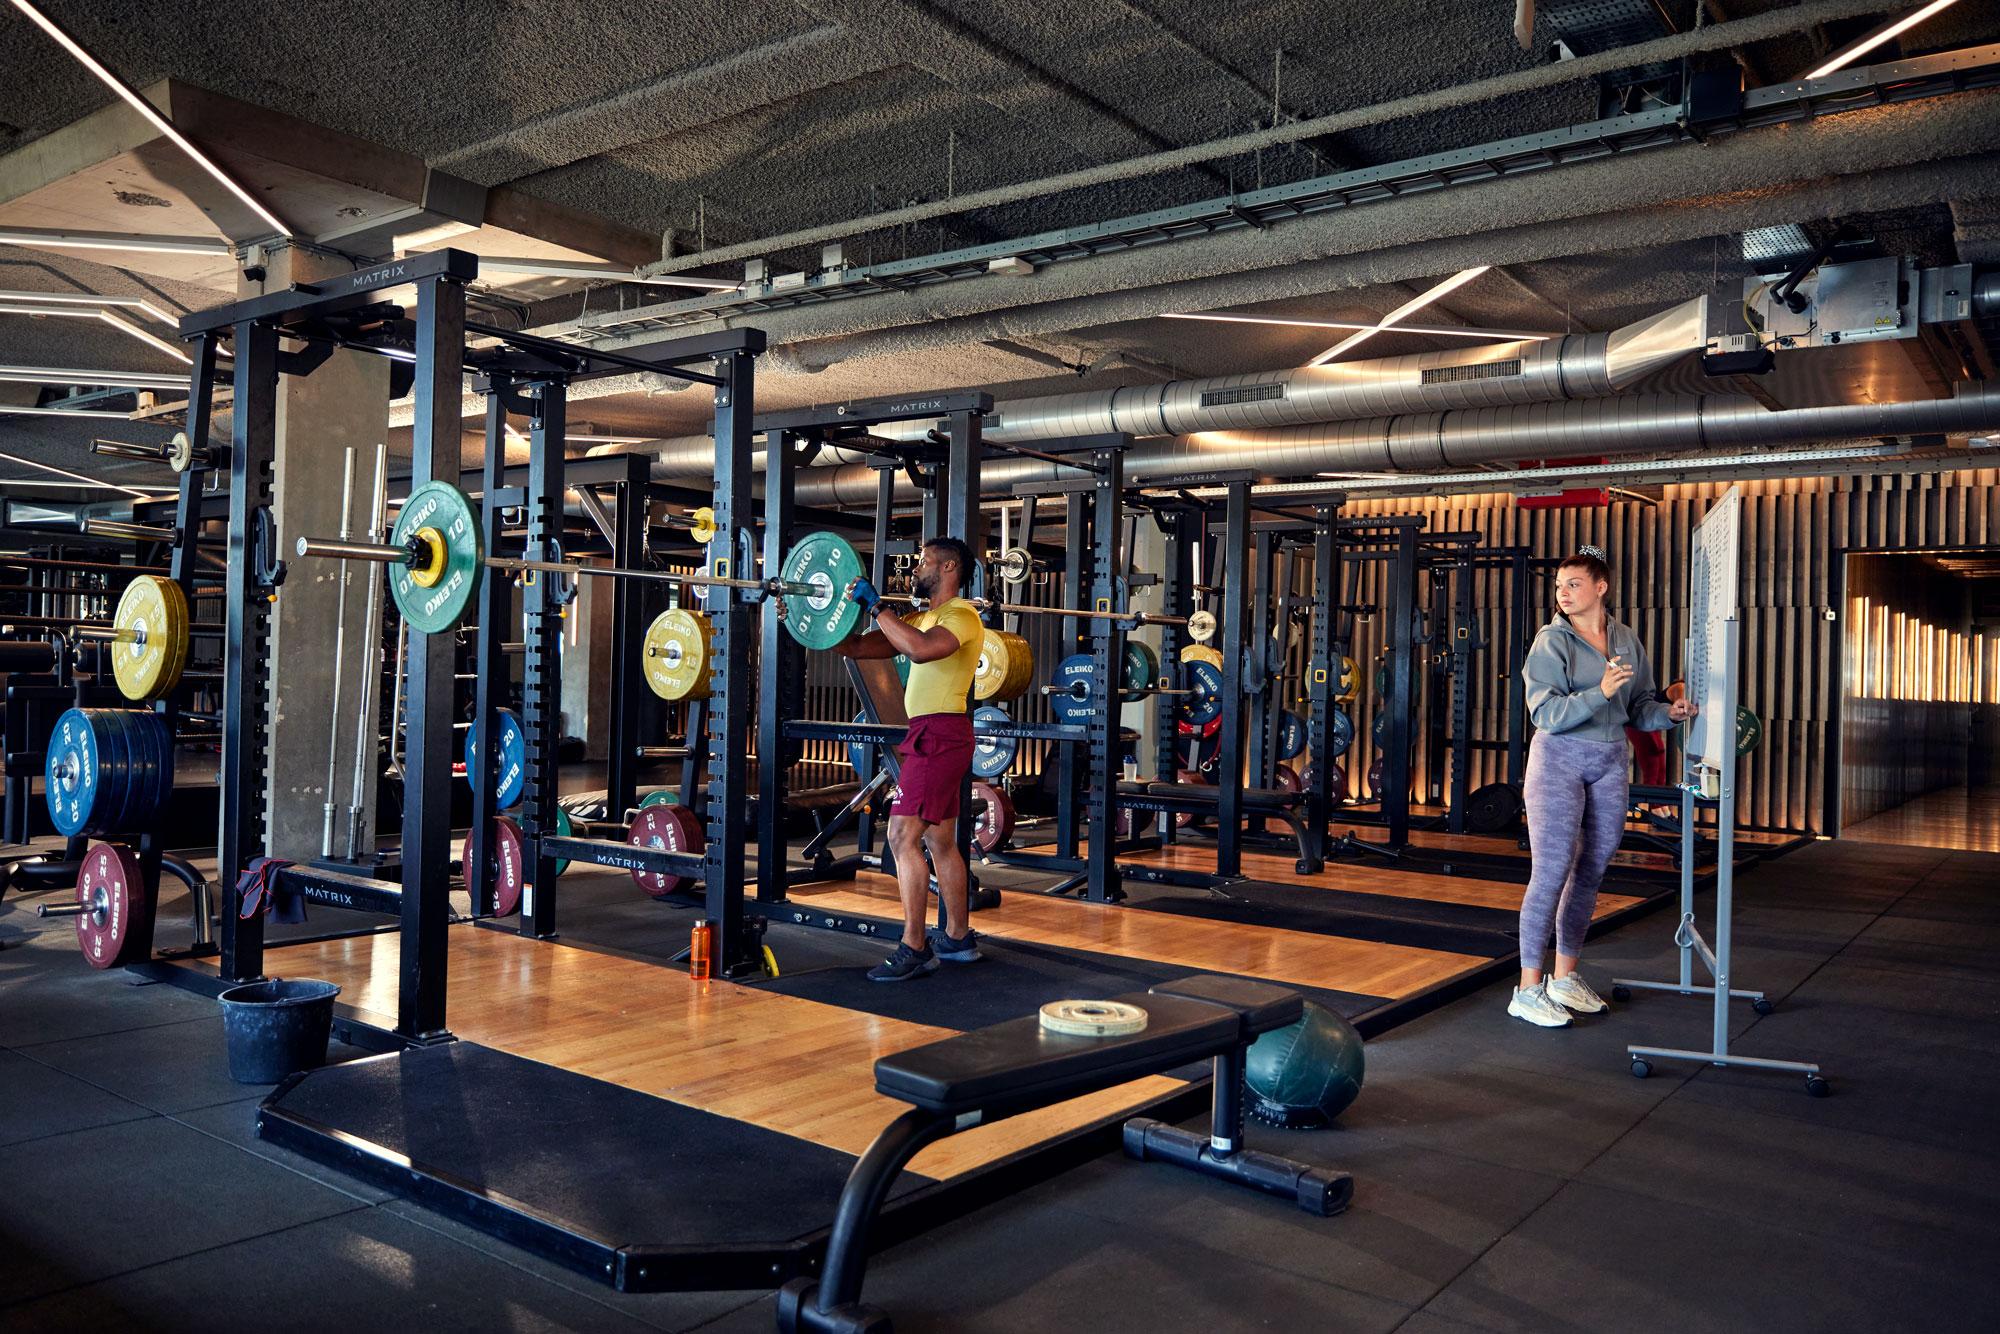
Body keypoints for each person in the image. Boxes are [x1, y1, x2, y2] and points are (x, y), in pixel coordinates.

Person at [1510, 545, 1696, 1028]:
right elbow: (1545, 713)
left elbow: (1641, 707)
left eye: (1573, 584)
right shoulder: (1550, 642)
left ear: (1600, 587)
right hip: (1559, 759)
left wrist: (1670, 715)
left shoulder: (1626, 640)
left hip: (1611, 758)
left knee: (1592, 869)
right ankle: (1527, 989)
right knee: (1551, 870)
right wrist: (1600, 692)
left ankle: (1564, 977)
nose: (1563, 593)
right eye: (1559, 586)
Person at [832, 537, 986, 981]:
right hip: (932, 733)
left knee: (901, 836)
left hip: (939, 733)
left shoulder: (961, 615)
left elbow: (920, 649)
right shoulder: (922, 618)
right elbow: (861, 649)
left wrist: (878, 606)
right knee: (940, 840)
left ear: (949, 566)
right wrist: (821, 623)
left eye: (924, 561)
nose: (916, 568)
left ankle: (914, 946)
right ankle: (956, 937)